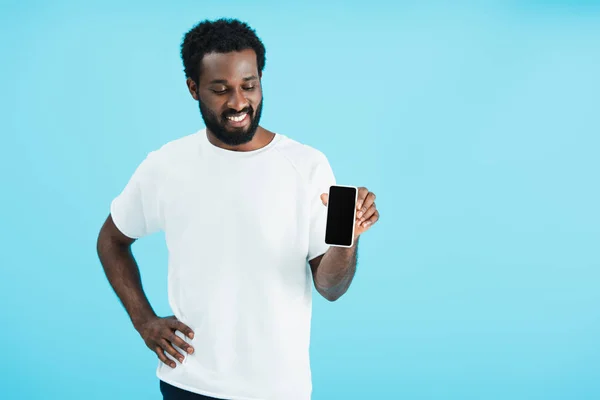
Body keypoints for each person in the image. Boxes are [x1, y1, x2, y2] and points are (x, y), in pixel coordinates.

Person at [96, 18, 380, 400]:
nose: (238, 102)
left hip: (279, 389)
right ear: (193, 89)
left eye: (249, 86)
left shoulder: (308, 166)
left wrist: (348, 240)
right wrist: (143, 321)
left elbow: (330, 287)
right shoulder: (166, 165)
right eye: (220, 89)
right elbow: (111, 240)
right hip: (188, 382)